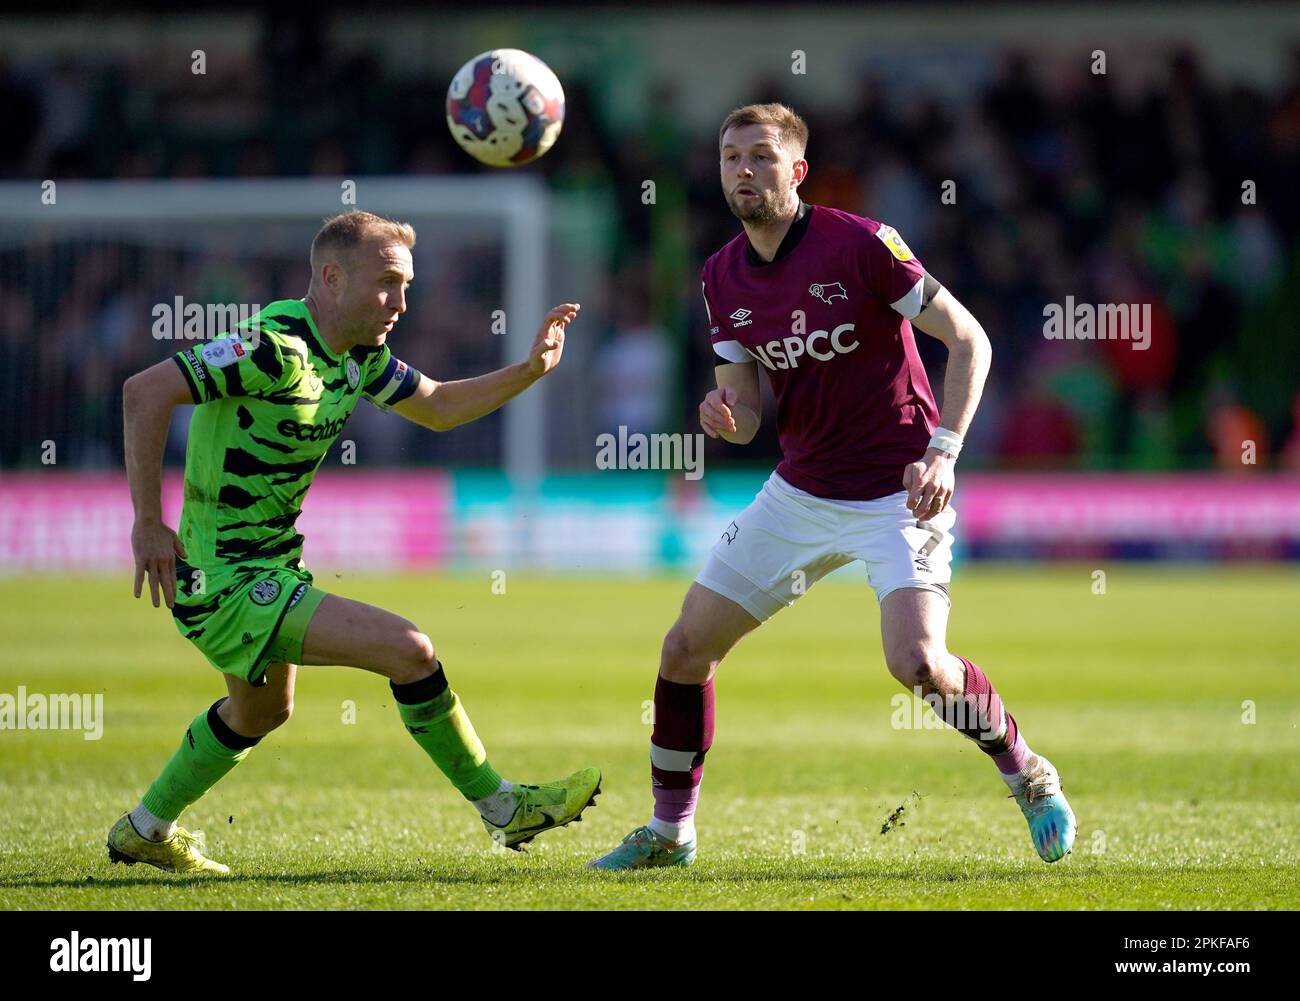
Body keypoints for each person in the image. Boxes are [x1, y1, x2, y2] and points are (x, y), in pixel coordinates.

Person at [588, 104, 1076, 870]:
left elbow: (969, 338)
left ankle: (1029, 771)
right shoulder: (720, 277)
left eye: (759, 156)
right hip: (802, 492)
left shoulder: (862, 244)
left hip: (900, 489)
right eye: (729, 158)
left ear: (797, 170)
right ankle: (670, 830)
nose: (742, 171)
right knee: (685, 648)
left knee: (917, 662)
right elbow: (745, 408)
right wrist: (724, 412)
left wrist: (944, 450)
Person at [109, 210, 598, 874]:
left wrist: (531, 369)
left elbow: (440, 406)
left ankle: (144, 828)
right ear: (332, 278)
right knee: (410, 649)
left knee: (260, 711)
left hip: (269, 565)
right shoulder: (271, 346)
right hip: (223, 577)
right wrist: (146, 521)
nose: (400, 302)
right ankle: (503, 807)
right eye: (387, 283)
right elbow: (146, 390)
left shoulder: (358, 356)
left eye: (407, 285)